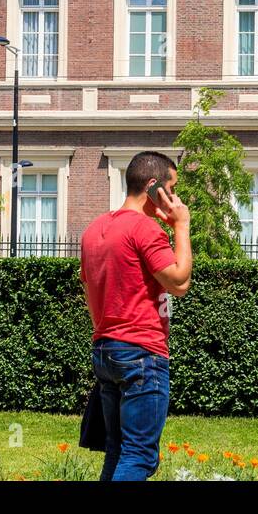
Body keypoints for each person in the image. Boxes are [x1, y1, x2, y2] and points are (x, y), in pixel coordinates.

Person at [80, 150, 192, 481]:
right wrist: (181, 227)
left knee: (118, 451)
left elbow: (90, 296)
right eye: (172, 189)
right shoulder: (144, 230)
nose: (175, 198)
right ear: (154, 186)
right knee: (140, 456)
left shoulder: (93, 230)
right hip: (142, 353)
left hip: (105, 350)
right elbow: (180, 282)